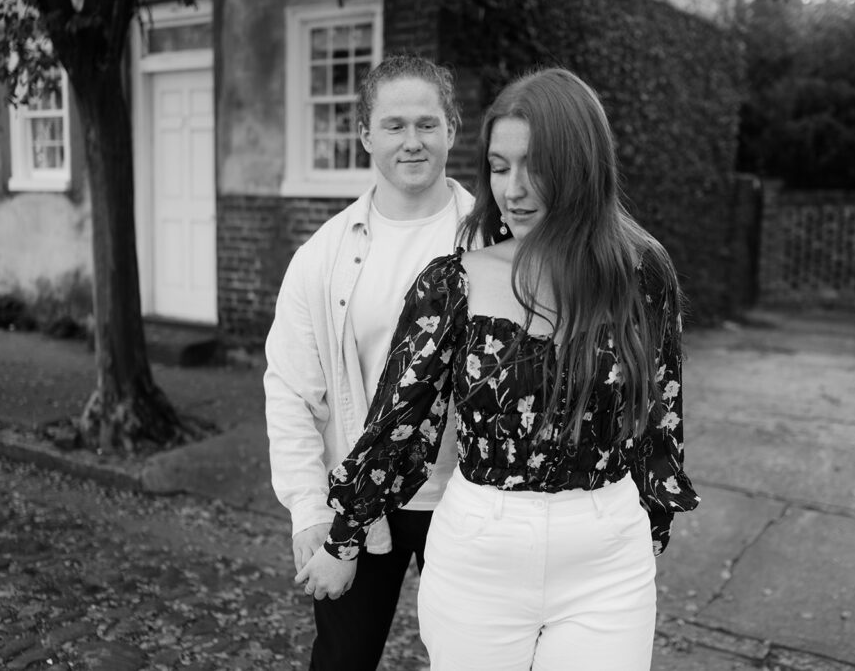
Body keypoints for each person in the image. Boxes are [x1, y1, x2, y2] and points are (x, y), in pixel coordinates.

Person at [297, 67, 701, 670]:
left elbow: (659, 413)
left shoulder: (640, 273)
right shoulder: (453, 281)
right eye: (499, 166)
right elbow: (400, 427)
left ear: (581, 164)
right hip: (481, 552)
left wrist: (648, 522)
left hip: (604, 556)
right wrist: (343, 534)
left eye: (535, 165)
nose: (514, 188)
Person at [264, 54, 475, 671]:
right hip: (360, 505)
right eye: (394, 126)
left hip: (468, 505)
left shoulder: (494, 243)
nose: (412, 141)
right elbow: (291, 390)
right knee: (340, 660)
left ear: (451, 130)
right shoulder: (322, 256)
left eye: (427, 124)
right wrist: (308, 510)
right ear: (364, 136)